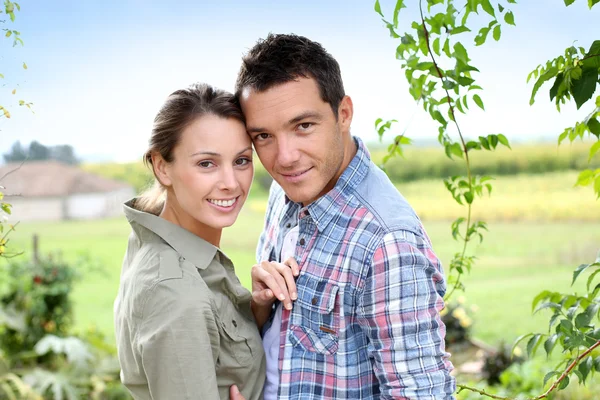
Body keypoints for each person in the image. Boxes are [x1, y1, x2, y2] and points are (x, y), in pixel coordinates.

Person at [235, 33, 456, 399]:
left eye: (303, 126)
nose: (284, 157)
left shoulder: (387, 243)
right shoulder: (285, 189)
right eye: (263, 136)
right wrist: (259, 306)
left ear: (343, 114)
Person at [113, 83, 266, 400]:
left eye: (241, 160)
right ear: (161, 166)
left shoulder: (159, 238)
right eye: (206, 163)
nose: (230, 183)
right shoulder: (175, 292)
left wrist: (256, 311)